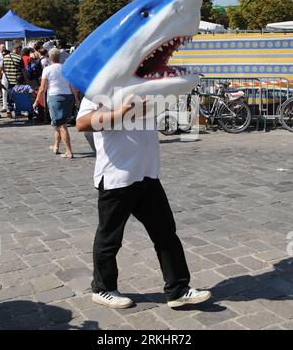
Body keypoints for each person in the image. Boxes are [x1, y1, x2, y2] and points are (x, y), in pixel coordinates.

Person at [75, 96, 211, 309]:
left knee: (166, 233)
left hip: (146, 173)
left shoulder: (145, 85)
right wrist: (121, 113)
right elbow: (82, 123)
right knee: (109, 237)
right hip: (117, 175)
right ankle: (103, 289)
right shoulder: (101, 86)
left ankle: (177, 290)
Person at [33, 48, 79, 158]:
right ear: (60, 57)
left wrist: (36, 101)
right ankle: (56, 146)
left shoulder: (47, 69)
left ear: (49, 57)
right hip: (68, 97)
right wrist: (76, 99)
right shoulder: (65, 68)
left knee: (61, 124)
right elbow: (72, 86)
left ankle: (68, 151)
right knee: (57, 123)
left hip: (55, 97)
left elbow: (42, 87)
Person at [2, 43, 27, 118]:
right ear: (18, 49)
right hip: (17, 80)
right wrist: (26, 80)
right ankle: (18, 112)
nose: (21, 51)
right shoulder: (19, 58)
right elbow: (23, 70)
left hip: (9, 79)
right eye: (21, 49)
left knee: (10, 96)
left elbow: (3, 68)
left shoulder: (5, 57)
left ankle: (9, 110)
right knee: (18, 97)